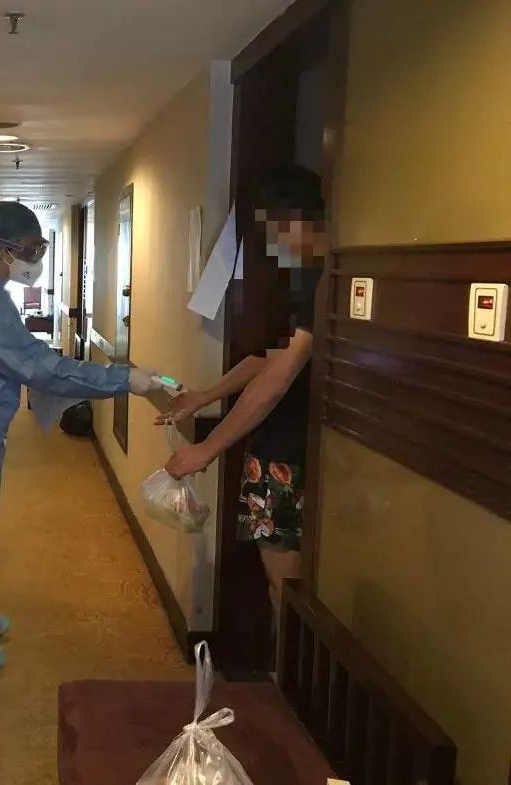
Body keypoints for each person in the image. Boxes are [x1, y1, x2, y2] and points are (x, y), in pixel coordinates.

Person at [0, 201, 162, 673]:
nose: (36, 257)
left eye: (40, 247)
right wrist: (125, 379)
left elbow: (21, 354)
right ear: (1, 247)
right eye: (31, 247)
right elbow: (40, 366)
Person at [160, 165, 326, 620]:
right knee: (281, 583)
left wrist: (207, 448)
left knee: (286, 590)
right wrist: (205, 395)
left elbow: (274, 382)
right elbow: (269, 356)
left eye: (276, 232)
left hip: (291, 453)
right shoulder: (308, 279)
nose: (275, 245)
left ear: (299, 219)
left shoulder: (328, 282)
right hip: (278, 447)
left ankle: (285, 664)